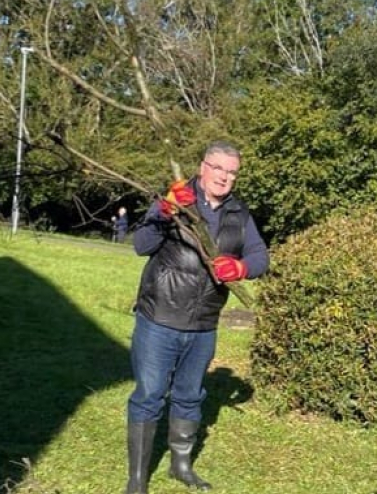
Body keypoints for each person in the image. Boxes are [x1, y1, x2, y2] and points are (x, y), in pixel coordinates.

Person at [125, 140, 269, 494]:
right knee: (150, 395)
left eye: (232, 172)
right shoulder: (176, 199)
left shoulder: (239, 212)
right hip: (160, 315)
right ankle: (137, 481)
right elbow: (141, 244)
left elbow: (261, 256)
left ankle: (181, 466)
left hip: (204, 322)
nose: (224, 177)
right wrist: (163, 210)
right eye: (218, 168)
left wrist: (241, 266)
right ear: (203, 167)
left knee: (190, 395)